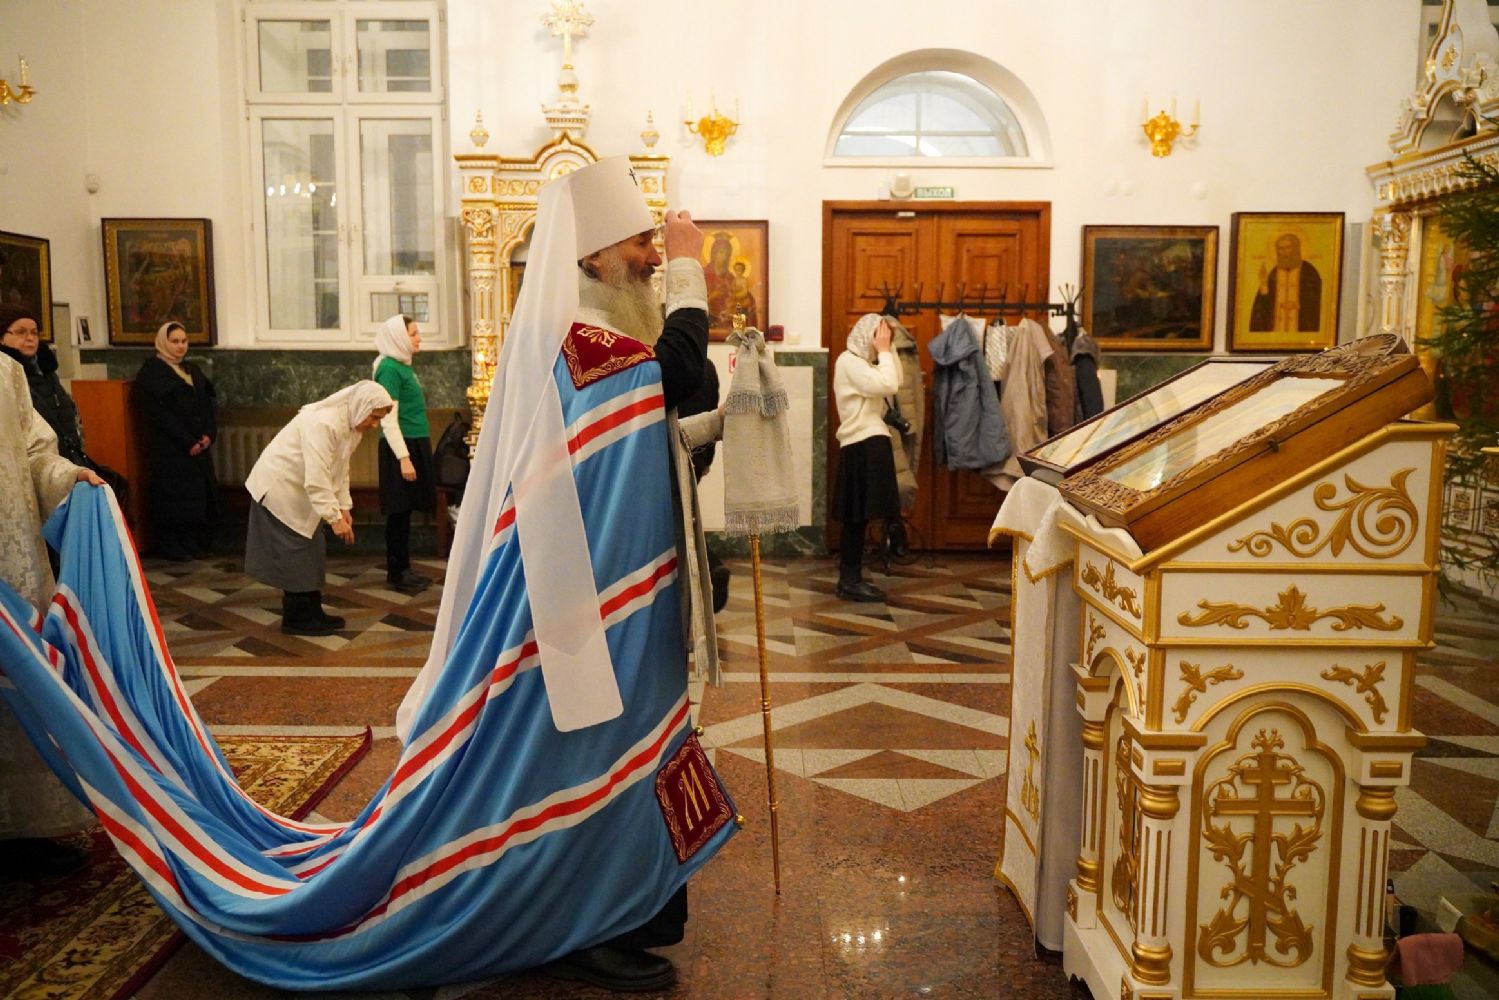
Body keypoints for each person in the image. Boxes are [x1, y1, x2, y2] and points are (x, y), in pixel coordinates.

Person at [395, 156, 723, 993]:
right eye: (640, 243)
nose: (652, 255)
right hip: (578, 592)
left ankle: (619, 909)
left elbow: (663, 412)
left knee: (618, 736)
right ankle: (577, 920)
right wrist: (692, 271)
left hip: (612, 578)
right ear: (591, 257)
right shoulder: (582, 339)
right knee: (588, 745)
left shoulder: (604, 333)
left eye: (653, 243)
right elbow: (674, 373)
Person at [0, 351, 105, 879]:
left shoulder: (6, 373)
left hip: (11, 560)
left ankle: (23, 829)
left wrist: (68, 476)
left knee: (22, 685)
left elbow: (36, 451)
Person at [243, 382, 393, 636]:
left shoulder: (350, 424)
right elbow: (317, 476)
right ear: (362, 406)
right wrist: (333, 516)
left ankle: (313, 611)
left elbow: (340, 468)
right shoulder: (323, 423)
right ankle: (297, 619)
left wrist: (343, 506)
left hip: (301, 494)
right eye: (374, 417)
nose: (375, 425)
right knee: (295, 553)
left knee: (311, 550)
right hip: (280, 490)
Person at [0, 310, 116, 486]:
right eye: (21, 332)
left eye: (34, 332)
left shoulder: (47, 371)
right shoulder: (6, 376)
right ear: (2, 338)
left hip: (64, 464)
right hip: (32, 470)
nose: (30, 338)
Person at [134, 321, 218, 560]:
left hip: (198, 446)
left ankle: (192, 541)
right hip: (171, 449)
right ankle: (172, 544)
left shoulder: (191, 370)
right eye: (175, 341)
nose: (181, 346)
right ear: (163, 342)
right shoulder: (152, 372)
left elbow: (207, 406)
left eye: (184, 341)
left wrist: (208, 435)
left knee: (196, 496)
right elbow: (159, 414)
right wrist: (187, 441)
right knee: (173, 497)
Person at [833, 314, 903, 602]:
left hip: (869, 441)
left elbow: (895, 379)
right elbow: (889, 384)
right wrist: (884, 351)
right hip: (860, 443)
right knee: (856, 516)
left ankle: (851, 578)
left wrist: (890, 348)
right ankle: (849, 580)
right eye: (879, 337)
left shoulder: (865, 363)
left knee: (860, 516)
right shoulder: (849, 361)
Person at [372, 314, 434, 595]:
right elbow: (388, 419)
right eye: (413, 333)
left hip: (413, 443)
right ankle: (397, 572)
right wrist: (404, 458)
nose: (419, 338)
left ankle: (404, 568)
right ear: (398, 337)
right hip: (401, 447)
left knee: (406, 511)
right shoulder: (389, 369)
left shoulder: (402, 366)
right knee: (399, 512)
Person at [1250, 233, 1322, 333]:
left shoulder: (1309, 271)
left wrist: (1298, 305)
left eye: (1288, 247)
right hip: (1276, 328)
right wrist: (1264, 284)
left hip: (1301, 326)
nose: (1284, 252)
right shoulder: (1273, 273)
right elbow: (1264, 305)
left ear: (1296, 248)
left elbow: (1316, 300)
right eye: (1281, 248)